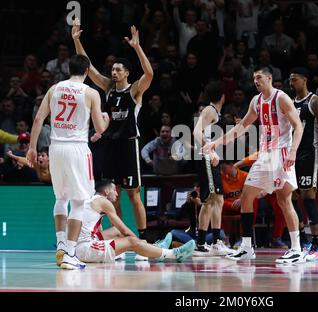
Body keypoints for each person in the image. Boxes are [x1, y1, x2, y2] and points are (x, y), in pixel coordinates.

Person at [203, 66, 304, 263]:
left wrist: (292, 151)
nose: (256, 81)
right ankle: (247, 247)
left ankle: (296, 249)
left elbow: (298, 126)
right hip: (265, 155)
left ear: (269, 78)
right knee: (247, 196)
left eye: (259, 77)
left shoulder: (281, 98)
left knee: (284, 200)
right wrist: (215, 142)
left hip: (282, 153)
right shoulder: (256, 101)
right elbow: (241, 127)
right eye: (254, 78)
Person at [72, 19, 153, 260]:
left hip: (128, 144)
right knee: (111, 194)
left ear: (127, 73)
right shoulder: (107, 88)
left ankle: (142, 239)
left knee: (134, 195)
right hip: (109, 146)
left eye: (119, 69)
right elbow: (89, 69)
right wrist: (77, 40)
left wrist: (137, 48)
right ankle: (120, 238)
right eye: (113, 69)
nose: (114, 72)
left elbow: (149, 73)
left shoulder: (135, 90)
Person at [26, 54, 110, 270]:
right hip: (77, 149)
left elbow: (38, 119)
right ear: (87, 70)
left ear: (68, 69)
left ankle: (61, 246)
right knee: (80, 202)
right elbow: (100, 129)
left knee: (61, 197)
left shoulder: (54, 88)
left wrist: (32, 148)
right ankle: (70, 253)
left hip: (55, 147)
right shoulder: (91, 93)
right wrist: (107, 120)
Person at [76, 180, 195, 263]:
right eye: (114, 190)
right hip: (85, 249)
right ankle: (172, 254)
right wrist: (140, 241)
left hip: (80, 245)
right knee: (131, 240)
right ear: (107, 191)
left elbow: (110, 230)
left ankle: (155, 249)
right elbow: (125, 230)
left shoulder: (91, 200)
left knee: (116, 231)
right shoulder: (104, 202)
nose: (117, 194)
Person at [289, 67, 318, 261]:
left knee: (308, 197)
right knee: (289, 197)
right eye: (290, 79)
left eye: (295, 79)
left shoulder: (315, 102)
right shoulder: (289, 103)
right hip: (293, 154)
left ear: (304, 80)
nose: (291, 82)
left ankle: (317, 245)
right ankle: (304, 241)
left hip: (310, 153)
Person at [192, 80, 230, 257]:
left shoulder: (216, 113)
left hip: (212, 158)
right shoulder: (209, 110)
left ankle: (215, 241)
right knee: (209, 200)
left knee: (218, 199)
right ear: (222, 96)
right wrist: (210, 150)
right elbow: (196, 132)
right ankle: (201, 244)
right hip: (206, 158)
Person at [226, 157, 288, 248]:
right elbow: (249, 159)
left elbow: (279, 181)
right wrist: (235, 165)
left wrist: (264, 191)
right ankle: (244, 238)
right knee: (250, 200)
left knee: (281, 205)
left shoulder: (279, 158)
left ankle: (276, 238)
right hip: (257, 186)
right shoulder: (262, 153)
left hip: (271, 188)